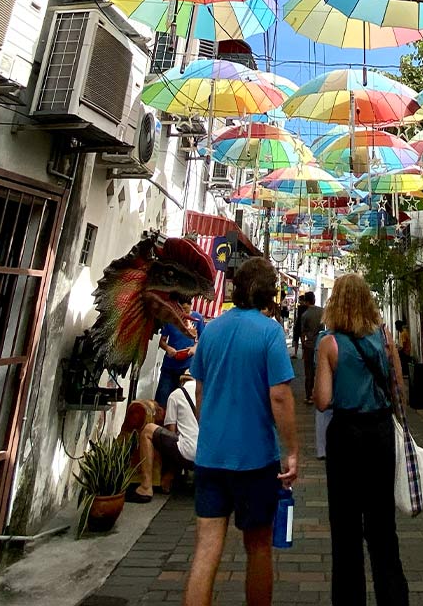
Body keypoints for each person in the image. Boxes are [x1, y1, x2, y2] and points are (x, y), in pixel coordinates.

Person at [184, 258, 299, 606]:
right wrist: (292, 449)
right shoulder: (269, 332)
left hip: (211, 457)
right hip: (254, 459)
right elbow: (279, 396)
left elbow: (200, 391)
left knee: (206, 549)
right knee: (259, 546)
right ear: (268, 291)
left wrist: (212, 431)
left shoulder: (213, 329)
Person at [313, 273, 409, 606]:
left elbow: (323, 400)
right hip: (381, 432)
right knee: (383, 526)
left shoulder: (329, 343)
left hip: (346, 435)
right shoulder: (384, 338)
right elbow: (399, 391)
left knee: (346, 529)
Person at [129, 373, 199, 502]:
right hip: (212, 456)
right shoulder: (214, 393)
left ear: (182, 381)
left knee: (148, 430)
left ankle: (146, 487)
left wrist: (170, 472)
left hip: (189, 455)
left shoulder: (176, 395)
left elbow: (170, 432)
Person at [156, 298, 205, 407]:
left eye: (187, 311)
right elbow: (162, 341)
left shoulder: (198, 319)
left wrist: (194, 348)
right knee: (162, 400)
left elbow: (202, 341)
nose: (185, 313)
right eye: (182, 310)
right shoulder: (171, 319)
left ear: (191, 306)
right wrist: (168, 348)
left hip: (187, 367)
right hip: (169, 366)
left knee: (184, 402)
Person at [299, 291, 324, 404]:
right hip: (320, 344)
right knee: (320, 370)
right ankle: (319, 393)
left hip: (309, 345)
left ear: (306, 301)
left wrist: (303, 345)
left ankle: (308, 396)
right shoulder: (322, 311)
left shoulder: (305, 315)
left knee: (308, 371)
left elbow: (302, 333)